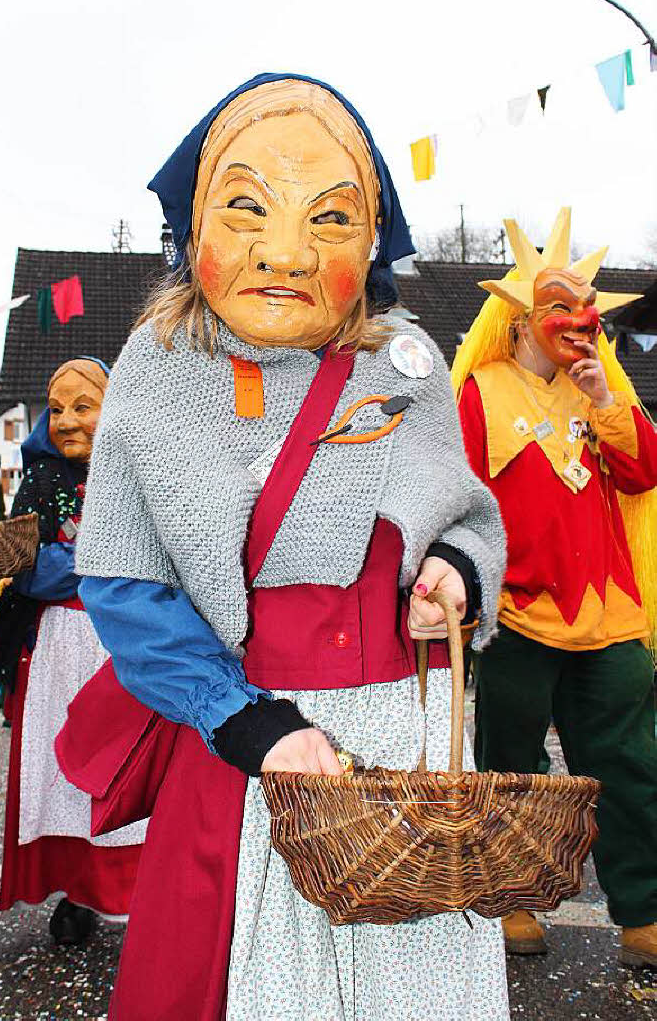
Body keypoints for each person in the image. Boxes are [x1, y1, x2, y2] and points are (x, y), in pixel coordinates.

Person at [67, 74, 510, 1020]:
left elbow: (466, 514)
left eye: (328, 217)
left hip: (408, 751)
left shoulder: (408, 368)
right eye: (244, 207)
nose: (283, 251)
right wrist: (246, 725)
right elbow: (123, 580)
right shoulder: (158, 367)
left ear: (371, 236)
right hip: (253, 744)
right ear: (194, 228)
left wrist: (452, 574)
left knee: (414, 982)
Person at [452, 208, 657, 966]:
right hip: (516, 615)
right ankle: (514, 900)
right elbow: (457, 496)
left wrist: (603, 398)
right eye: (561, 308)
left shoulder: (599, 386)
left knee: (630, 769)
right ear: (520, 319)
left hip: (608, 617)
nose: (579, 320)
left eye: (587, 310)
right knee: (512, 771)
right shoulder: (478, 392)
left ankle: (641, 913)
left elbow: (642, 472)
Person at [0, 357, 146, 946]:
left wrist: (91, 565)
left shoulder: (135, 472)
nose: (67, 421)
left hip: (124, 640)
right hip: (57, 646)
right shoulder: (39, 479)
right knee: (62, 768)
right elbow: (25, 566)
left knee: (121, 764)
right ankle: (75, 889)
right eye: (56, 409)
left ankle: (130, 889)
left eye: (84, 406)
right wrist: (102, 562)